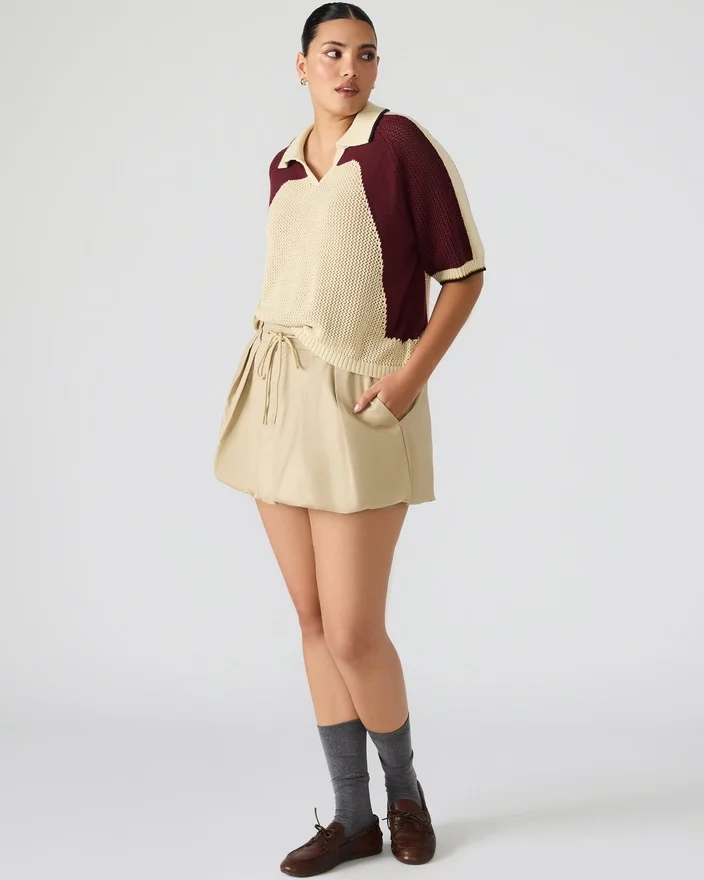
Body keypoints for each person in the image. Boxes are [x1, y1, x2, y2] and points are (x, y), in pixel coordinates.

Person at [214, 3, 485, 875]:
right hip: (276, 395)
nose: (349, 70)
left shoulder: (399, 144)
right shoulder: (284, 163)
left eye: (365, 55)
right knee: (312, 619)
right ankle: (352, 816)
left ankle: (406, 797)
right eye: (332, 54)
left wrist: (408, 381)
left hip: (363, 394)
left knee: (355, 632)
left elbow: (464, 274)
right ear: (301, 65)